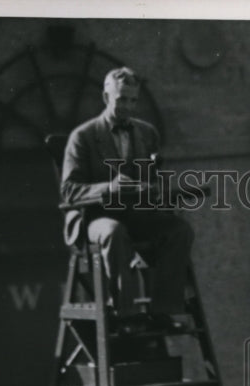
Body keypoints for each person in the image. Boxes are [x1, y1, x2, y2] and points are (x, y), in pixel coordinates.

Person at [60, 66, 194, 326]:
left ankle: (163, 309)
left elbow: (152, 180)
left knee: (179, 230)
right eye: (121, 99)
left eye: (133, 100)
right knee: (114, 231)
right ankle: (127, 313)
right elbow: (69, 191)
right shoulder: (83, 137)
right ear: (106, 97)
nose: (128, 107)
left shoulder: (146, 133)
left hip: (136, 213)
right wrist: (109, 188)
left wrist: (154, 189)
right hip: (96, 217)